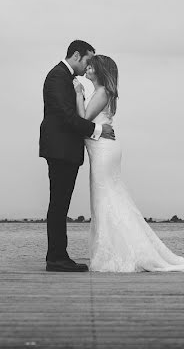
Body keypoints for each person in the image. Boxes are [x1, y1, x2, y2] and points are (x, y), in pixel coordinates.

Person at [75, 54, 184, 272]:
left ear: (99, 71)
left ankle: (117, 253)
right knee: (109, 198)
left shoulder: (101, 92)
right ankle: (115, 249)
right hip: (104, 150)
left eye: (91, 66)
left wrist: (77, 94)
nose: (87, 68)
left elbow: (83, 120)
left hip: (103, 151)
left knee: (106, 198)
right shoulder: (102, 92)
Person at [39, 40, 114, 272]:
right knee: (59, 205)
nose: (89, 65)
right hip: (60, 150)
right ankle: (56, 258)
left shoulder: (66, 77)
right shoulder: (57, 77)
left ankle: (58, 256)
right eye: (88, 60)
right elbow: (66, 117)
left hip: (65, 150)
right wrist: (99, 130)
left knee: (61, 205)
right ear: (77, 55)